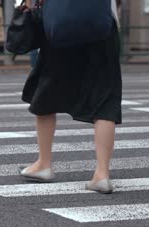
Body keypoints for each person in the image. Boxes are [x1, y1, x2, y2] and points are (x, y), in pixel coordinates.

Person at [19, 0, 122, 194]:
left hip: (61, 24)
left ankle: (44, 164)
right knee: (105, 98)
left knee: (47, 93)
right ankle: (102, 174)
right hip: (101, 26)